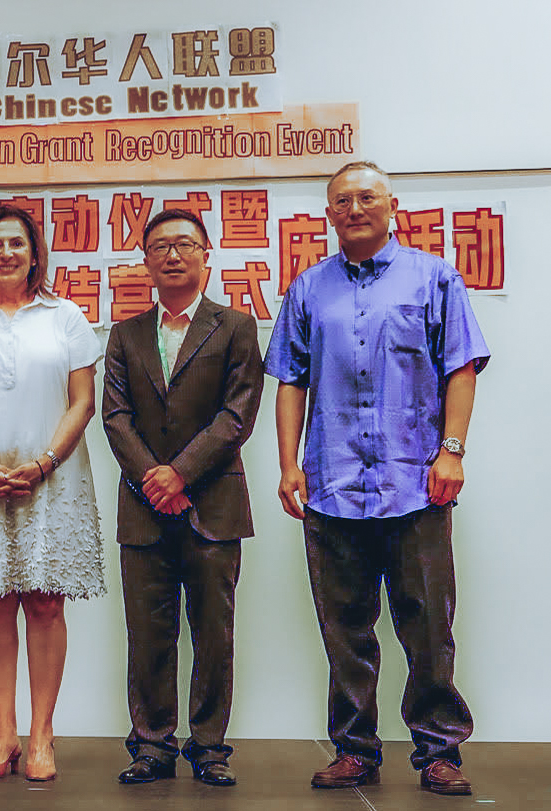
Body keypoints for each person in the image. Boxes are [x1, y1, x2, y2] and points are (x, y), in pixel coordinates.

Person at [266, 161, 488, 796]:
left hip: (416, 483)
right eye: (342, 200)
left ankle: (440, 750)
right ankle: (355, 748)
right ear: (329, 214)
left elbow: (460, 369)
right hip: (332, 483)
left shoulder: (434, 278)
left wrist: (452, 450)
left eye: (367, 197)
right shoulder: (309, 289)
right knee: (344, 628)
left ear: (394, 204)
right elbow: (290, 380)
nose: (355, 207)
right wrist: (290, 464)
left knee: (428, 627)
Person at [0, 204, 104, 782]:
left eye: (16, 243)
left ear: (35, 253)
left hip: (52, 481)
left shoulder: (65, 316)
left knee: (44, 602)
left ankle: (41, 734)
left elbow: (82, 400)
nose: (5, 253)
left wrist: (43, 462)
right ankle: (2, 734)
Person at [102, 210, 263, 788]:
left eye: (184, 245)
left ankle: (211, 747)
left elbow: (237, 414)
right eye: (160, 246)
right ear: (145, 260)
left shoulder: (237, 326)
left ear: (206, 255)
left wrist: (181, 475)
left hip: (214, 506)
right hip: (143, 507)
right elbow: (115, 417)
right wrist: (154, 477)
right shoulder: (125, 333)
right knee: (148, 633)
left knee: (214, 634)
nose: (172, 255)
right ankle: (151, 744)